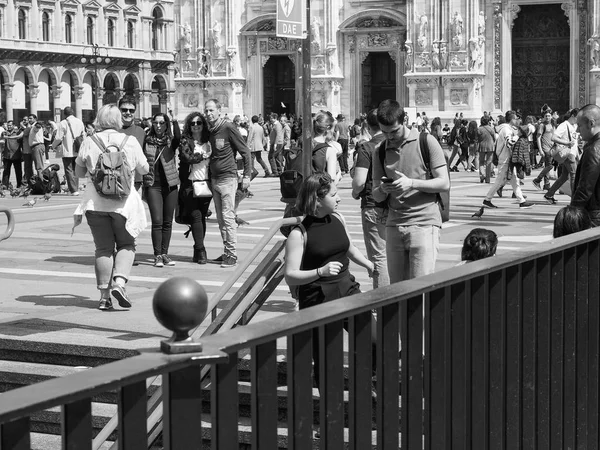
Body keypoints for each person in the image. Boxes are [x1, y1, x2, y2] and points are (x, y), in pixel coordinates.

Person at [284, 172, 374, 387]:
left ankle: (365, 381)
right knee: (326, 358)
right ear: (317, 199)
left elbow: (348, 247)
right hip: (318, 296)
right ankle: (328, 410)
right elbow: (290, 275)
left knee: (374, 339)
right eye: (334, 195)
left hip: (347, 287)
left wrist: (367, 263)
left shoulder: (338, 218)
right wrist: (319, 272)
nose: (339, 198)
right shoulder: (299, 234)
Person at [73, 104, 149, 310]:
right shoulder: (130, 141)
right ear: (118, 120)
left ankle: (104, 298)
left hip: (95, 203)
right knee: (126, 245)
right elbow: (144, 168)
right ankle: (120, 283)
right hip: (123, 205)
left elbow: (79, 173)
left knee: (103, 249)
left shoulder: (89, 141)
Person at [372, 99, 449, 283]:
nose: (389, 137)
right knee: (397, 289)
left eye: (394, 131)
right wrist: (383, 189)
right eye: (384, 132)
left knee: (419, 287)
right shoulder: (380, 150)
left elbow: (443, 182)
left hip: (424, 222)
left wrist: (412, 183)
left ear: (404, 120)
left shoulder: (426, 141)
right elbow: (375, 193)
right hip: (394, 224)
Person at [204, 98, 252, 268]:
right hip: (214, 179)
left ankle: (232, 254)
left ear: (219, 110)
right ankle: (227, 252)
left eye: (211, 110)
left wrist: (246, 176)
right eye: (206, 111)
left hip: (228, 178)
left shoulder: (228, 127)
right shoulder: (210, 130)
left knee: (228, 217)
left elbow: (245, 151)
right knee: (221, 220)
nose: (208, 114)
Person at [351, 108, 389, 289]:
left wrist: (355, 192)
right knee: (395, 255)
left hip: (373, 205)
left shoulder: (367, 147)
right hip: (397, 205)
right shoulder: (396, 143)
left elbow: (359, 181)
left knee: (379, 257)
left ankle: (382, 303)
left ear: (367, 125)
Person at [142, 112, 181, 267]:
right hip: (153, 185)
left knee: (167, 222)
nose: (158, 126)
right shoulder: (147, 140)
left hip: (171, 185)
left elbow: (178, 137)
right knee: (157, 221)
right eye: (156, 123)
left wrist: (175, 121)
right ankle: (157, 255)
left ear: (166, 125)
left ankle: (165, 254)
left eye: (162, 123)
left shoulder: (171, 141)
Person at [177, 112, 212, 264]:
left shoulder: (209, 141)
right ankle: (201, 249)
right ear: (189, 126)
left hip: (207, 183)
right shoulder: (186, 140)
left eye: (199, 123)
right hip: (191, 184)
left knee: (202, 216)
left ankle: (198, 248)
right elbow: (186, 157)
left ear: (203, 125)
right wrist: (202, 156)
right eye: (193, 123)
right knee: (196, 216)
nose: (196, 125)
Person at [481, 110, 534, 209]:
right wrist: (518, 135)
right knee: (499, 181)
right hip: (504, 159)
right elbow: (509, 143)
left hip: (508, 159)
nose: (518, 120)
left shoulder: (508, 128)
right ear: (512, 119)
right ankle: (487, 200)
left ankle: (521, 201)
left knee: (514, 180)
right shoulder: (506, 129)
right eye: (516, 118)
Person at [571, 104, 600, 225]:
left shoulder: (594, 150)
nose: (577, 130)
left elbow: (584, 189)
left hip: (594, 217)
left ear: (591, 123)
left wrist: (571, 214)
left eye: (579, 125)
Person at [53, 107, 85, 196]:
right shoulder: (79, 121)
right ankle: (76, 187)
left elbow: (59, 137)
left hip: (67, 150)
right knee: (75, 169)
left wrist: (53, 145)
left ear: (65, 114)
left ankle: (73, 190)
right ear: (73, 112)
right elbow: (84, 135)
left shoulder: (63, 123)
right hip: (78, 149)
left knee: (69, 169)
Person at [532, 108, 555, 191]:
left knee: (547, 166)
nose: (548, 117)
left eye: (549, 116)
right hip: (545, 148)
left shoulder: (552, 125)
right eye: (546, 116)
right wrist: (540, 150)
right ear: (544, 117)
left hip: (551, 147)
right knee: (550, 166)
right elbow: (538, 138)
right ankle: (537, 179)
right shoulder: (542, 125)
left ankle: (547, 184)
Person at [2, 120, 23, 188]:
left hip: (16, 155)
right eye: (8, 125)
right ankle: (5, 185)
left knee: (18, 171)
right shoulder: (5, 133)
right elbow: (2, 138)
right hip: (7, 155)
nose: (9, 127)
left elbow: (21, 143)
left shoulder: (18, 133)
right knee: (6, 171)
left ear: (13, 126)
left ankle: (19, 184)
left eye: (10, 125)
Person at [477, 116, 495, 183]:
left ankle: (482, 175)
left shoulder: (479, 129)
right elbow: (494, 137)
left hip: (482, 146)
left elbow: (477, 138)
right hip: (490, 146)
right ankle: (488, 179)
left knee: (481, 161)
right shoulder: (491, 128)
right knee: (488, 162)